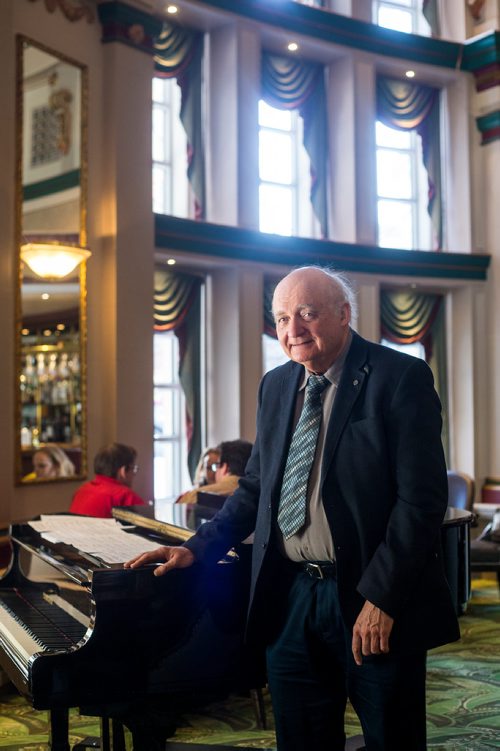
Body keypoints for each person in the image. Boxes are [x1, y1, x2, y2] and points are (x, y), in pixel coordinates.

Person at [125, 267, 460, 751]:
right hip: (291, 595)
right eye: (282, 317)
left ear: (344, 315)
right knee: (300, 739)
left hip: (370, 596)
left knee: (393, 738)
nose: (292, 329)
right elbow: (256, 486)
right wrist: (197, 548)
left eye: (307, 313)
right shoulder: (277, 385)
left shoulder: (399, 377)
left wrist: (383, 598)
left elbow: (421, 501)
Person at [70, 442, 146, 518]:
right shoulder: (127, 497)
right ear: (123, 471)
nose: (134, 474)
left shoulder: (81, 490)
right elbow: (147, 527)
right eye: (133, 469)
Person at [176, 439, 252, 504]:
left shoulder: (193, 496)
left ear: (225, 467)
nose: (213, 473)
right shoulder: (257, 494)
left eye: (216, 465)